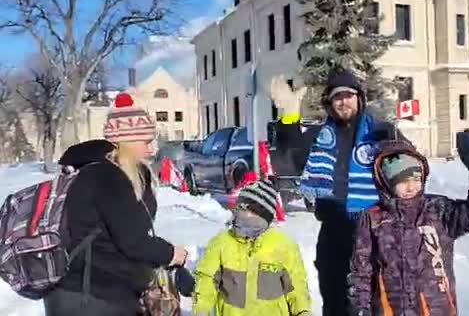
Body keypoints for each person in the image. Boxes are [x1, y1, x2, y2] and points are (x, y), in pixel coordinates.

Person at [270, 69, 406, 316]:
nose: (343, 101)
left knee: (374, 303)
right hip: (333, 233)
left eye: (348, 95)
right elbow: (291, 152)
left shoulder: (381, 131)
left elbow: (409, 171)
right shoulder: (320, 136)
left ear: (359, 98)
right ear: (330, 103)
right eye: (337, 97)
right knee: (334, 303)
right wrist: (289, 118)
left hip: (373, 234)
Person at [44, 93, 189, 316]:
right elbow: (133, 242)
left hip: (73, 294)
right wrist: (173, 254)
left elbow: (114, 235)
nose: (152, 150)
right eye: (146, 142)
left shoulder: (89, 172)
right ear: (127, 141)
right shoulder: (109, 177)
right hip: (96, 297)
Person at [348, 132, 469, 316]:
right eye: (402, 181)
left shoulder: (437, 210)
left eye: (415, 179)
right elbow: (362, 270)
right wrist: (360, 308)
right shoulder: (373, 218)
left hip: (437, 309)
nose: (411, 187)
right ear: (386, 181)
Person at [192, 179, 311, 316]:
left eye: (248, 209)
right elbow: (206, 280)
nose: (242, 213)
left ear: (263, 215)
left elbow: (297, 286)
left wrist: (303, 311)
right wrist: (201, 309)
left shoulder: (283, 246)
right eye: (240, 207)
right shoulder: (221, 243)